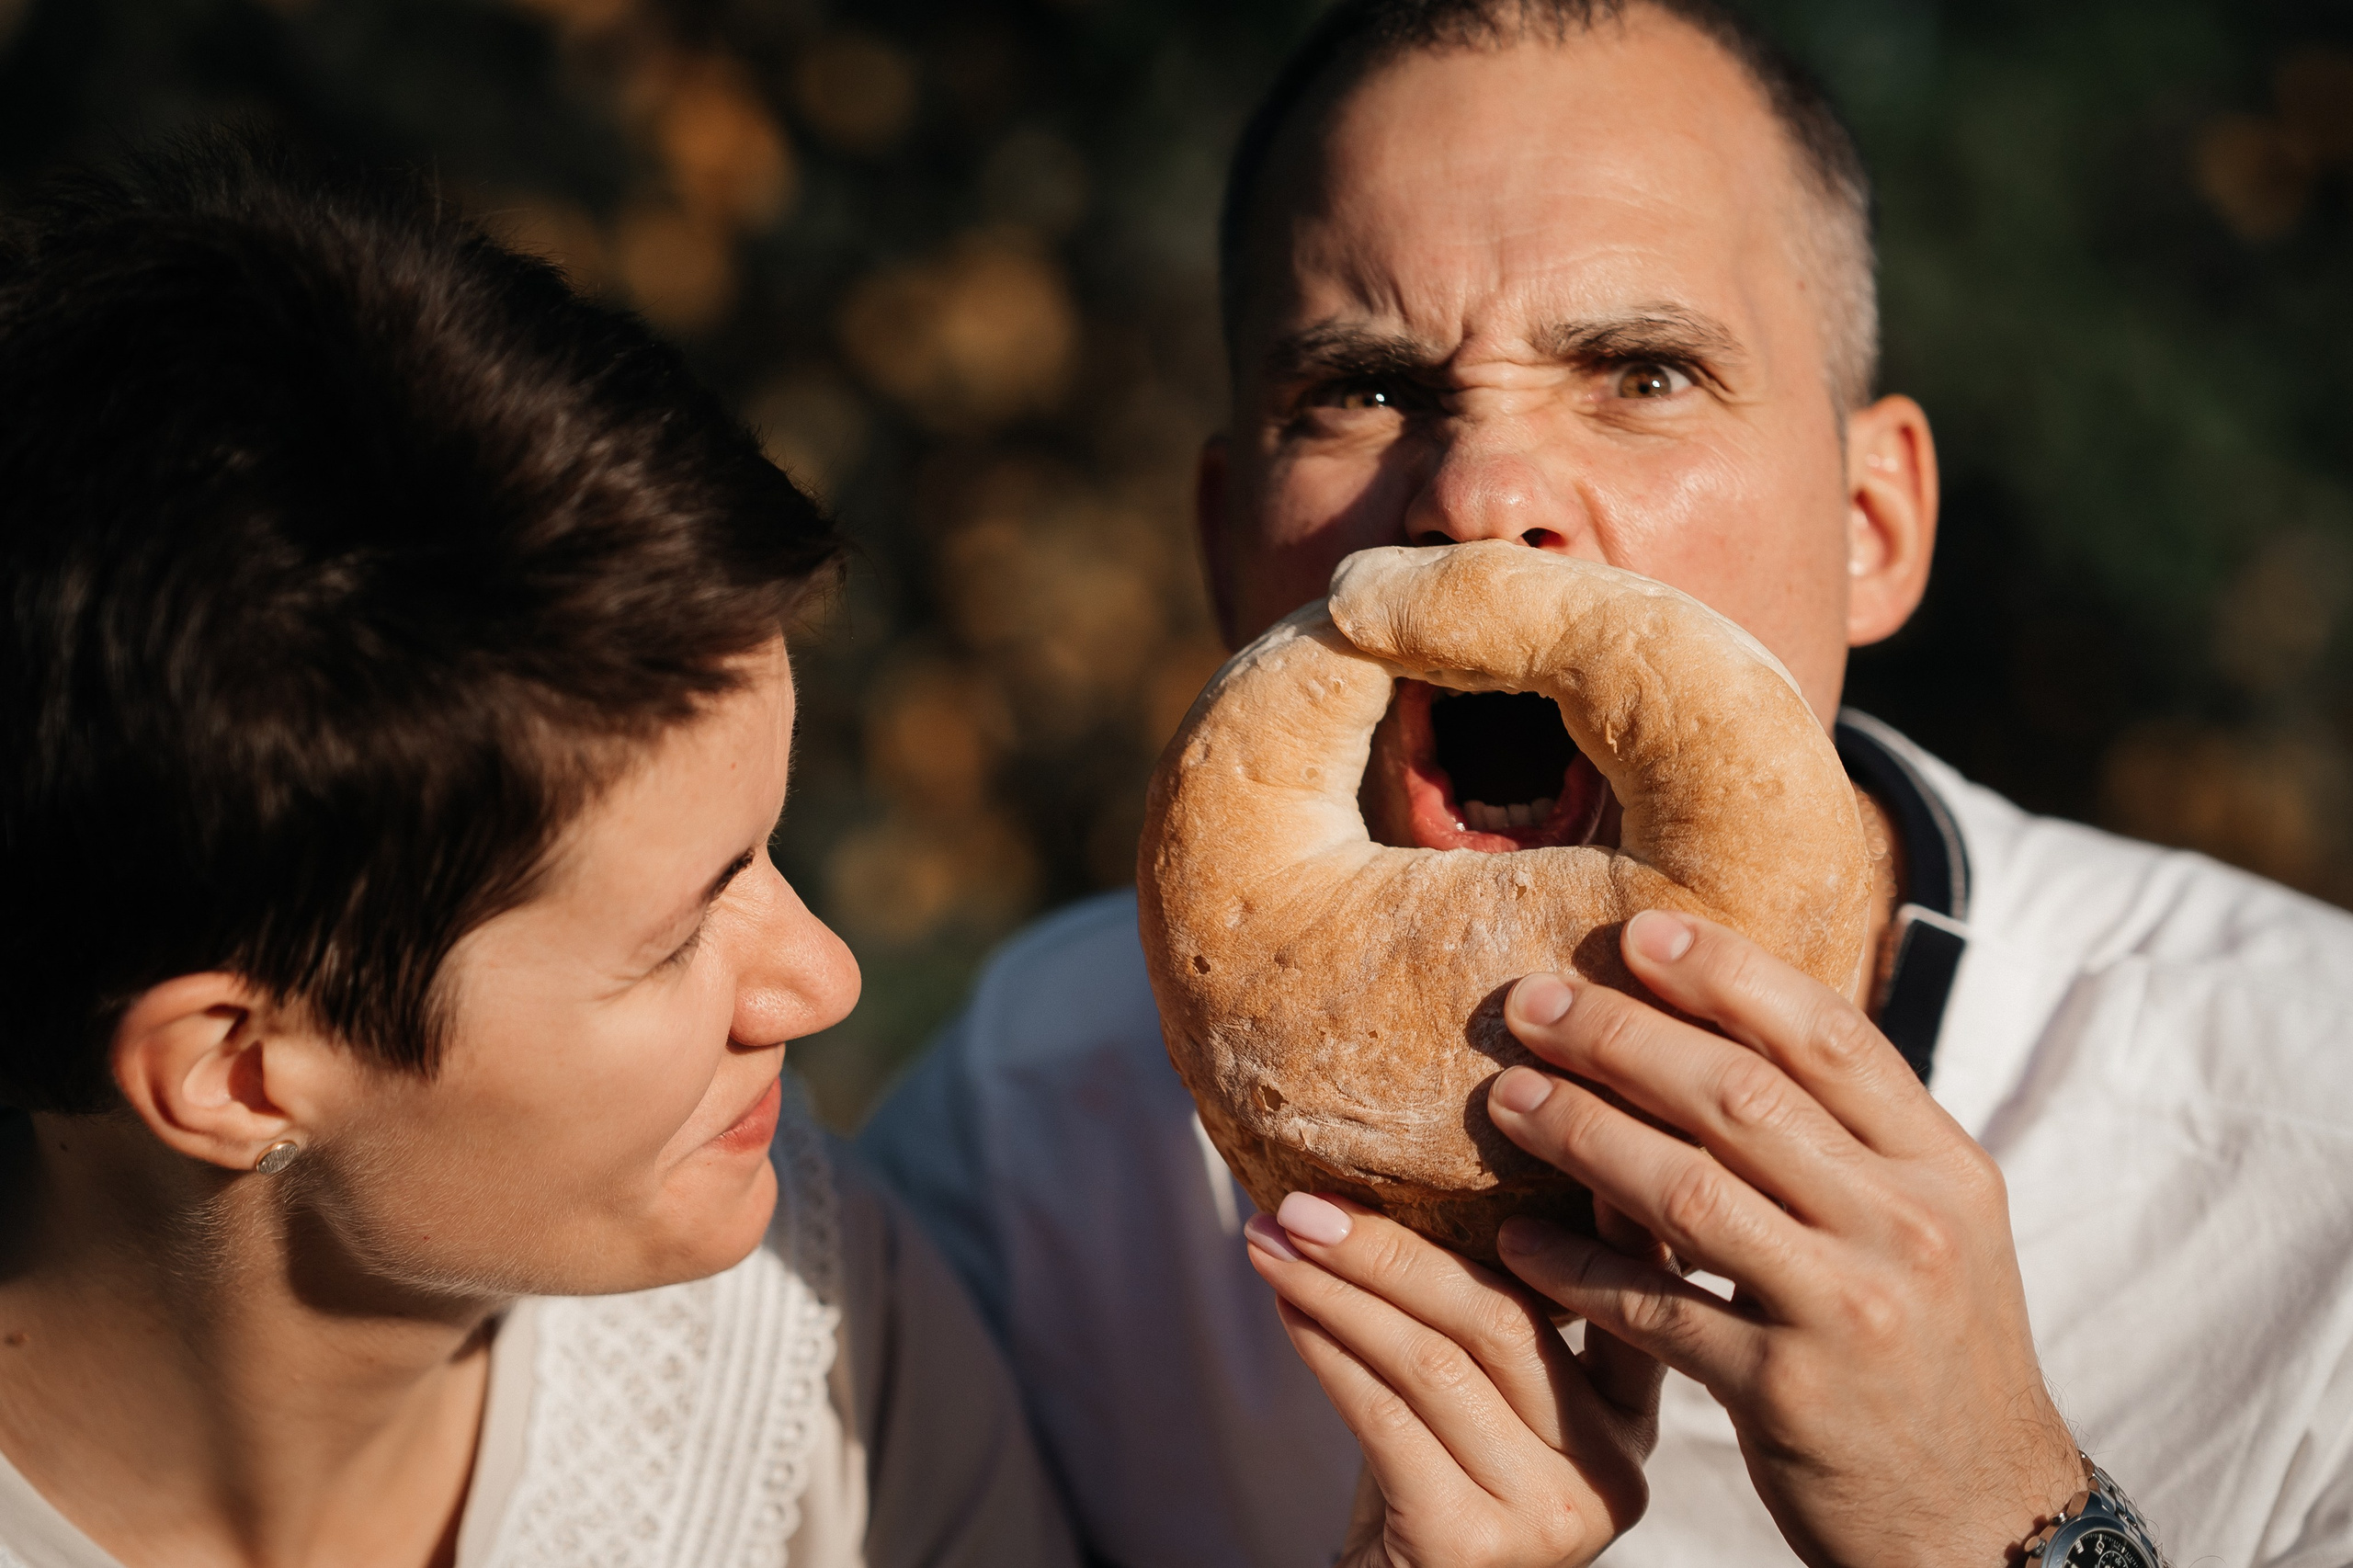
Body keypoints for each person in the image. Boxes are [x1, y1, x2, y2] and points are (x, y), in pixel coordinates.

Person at [860, 2, 2353, 1565]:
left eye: (1644, 372)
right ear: (1230, 548)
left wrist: (2006, 1525)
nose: (1480, 494)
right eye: (1365, 388)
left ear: (1874, 522)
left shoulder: (2298, 1168)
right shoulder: (1030, 1143)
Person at [0, 138, 1089, 1568]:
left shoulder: (808, 1332)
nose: (820, 980)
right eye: (677, 936)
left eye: (765, 851)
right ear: (238, 1069)